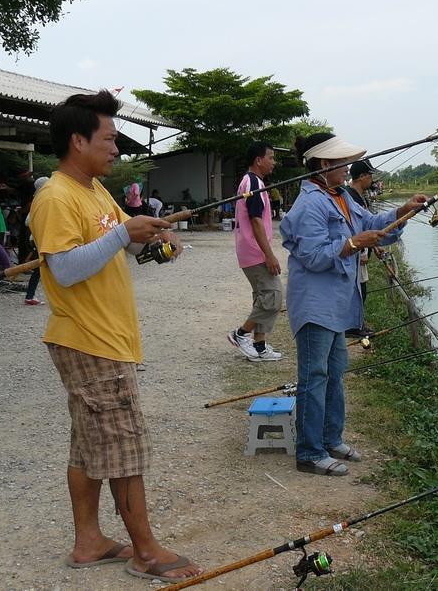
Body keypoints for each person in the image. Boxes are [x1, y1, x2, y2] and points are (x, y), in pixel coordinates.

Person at [29, 90, 200, 582]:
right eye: (109, 139)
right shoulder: (56, 196)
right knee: (124, 447)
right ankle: (146, 552)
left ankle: (89, 543)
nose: (116, 149)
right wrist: (124, 236)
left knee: (89, 446)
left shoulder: (94, 190)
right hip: (90, 339)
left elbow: (114, 236)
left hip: (102, 337)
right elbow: (62, 270)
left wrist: (153, 233)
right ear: (78, 141)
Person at [280, 133, 426, 476]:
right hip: (316, 304)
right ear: (325, 165)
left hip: (339, 303)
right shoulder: (309, 205)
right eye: (342, 163)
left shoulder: (341, 196)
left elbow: (373, 226)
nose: (348, 168)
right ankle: (309, 452)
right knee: (314, 377)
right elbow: (314, 257)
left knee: (334, 373)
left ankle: (331, 438)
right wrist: (351, 243)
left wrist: (404, 211)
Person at [227, 142, 284, 362]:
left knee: (262, 296)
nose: (273, 162)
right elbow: (256, 220)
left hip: (251, 249)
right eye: (270, 157)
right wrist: (269, 255)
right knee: (273, 297)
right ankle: (241, 334)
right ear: (258, 160)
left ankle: (259, 345)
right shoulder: (252, 182)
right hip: (254, 250)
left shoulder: (253, 181)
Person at [345, 159, 377, 335]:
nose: (371, 179)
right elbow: (353, 227)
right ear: (362, 176)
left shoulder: (358, 196)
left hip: (362, 249)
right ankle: (353, 326)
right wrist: (362, 250)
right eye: (370, 175)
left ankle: (357, 323)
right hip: (357, 250)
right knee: (357, 290)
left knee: (361, 288)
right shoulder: (350, 196)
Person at [23, 176, 49, 305]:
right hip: (39, 240)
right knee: (40, 269)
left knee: (44, 269)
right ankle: (30, 296)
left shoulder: (45, 199)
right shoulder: (40, 200)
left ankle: (31, 295)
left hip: (44, 239)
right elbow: (28, 221)